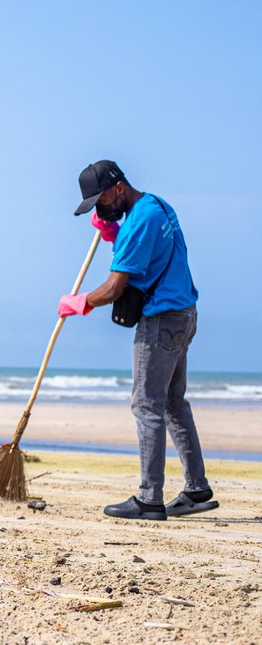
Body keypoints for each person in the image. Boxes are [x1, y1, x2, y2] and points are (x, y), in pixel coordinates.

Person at [59, 160, 214, 521]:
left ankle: (149, 498)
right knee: (174, 403)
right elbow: (154, 253)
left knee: (147, 405)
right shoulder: (156, 206)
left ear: (117, 187)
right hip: (184, 314)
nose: (100, 209)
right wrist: (114, 234)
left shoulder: (139, 221)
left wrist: (80, 302)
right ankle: (196, 489)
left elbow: (115, 288)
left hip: (161, 321)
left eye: (100, 201)